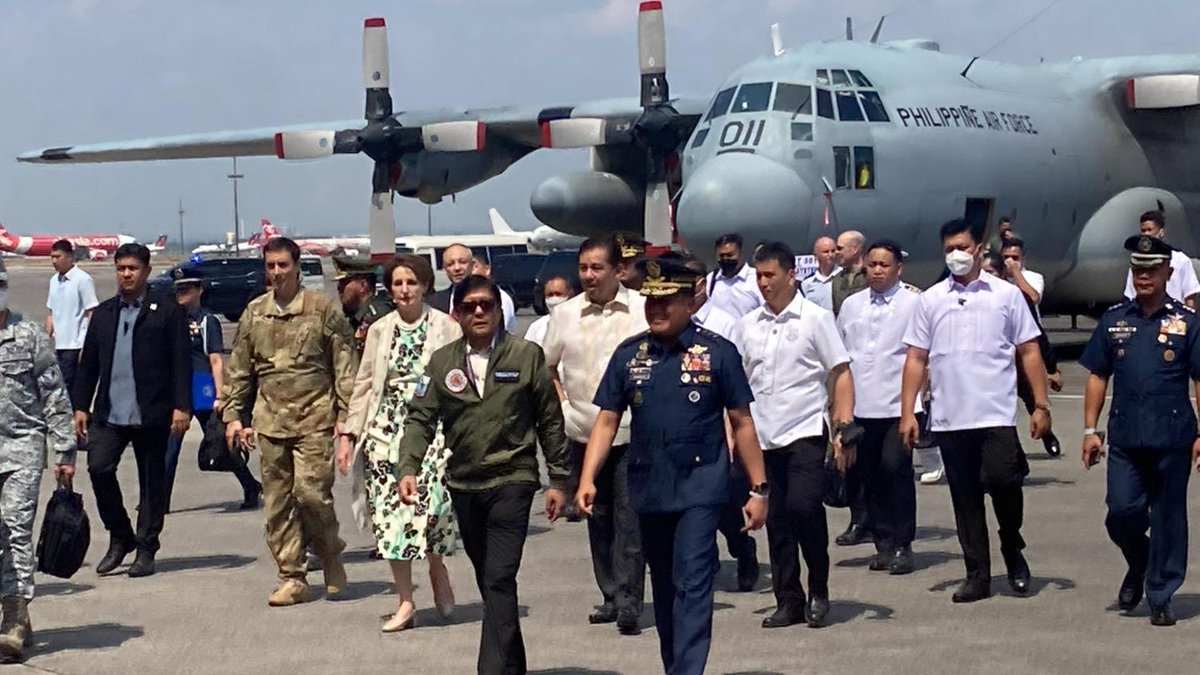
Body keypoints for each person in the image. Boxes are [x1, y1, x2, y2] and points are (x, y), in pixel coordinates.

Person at [579, 258, 769, 674]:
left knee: (693, 581)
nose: (656, 310)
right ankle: (675, 666)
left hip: (701, 486)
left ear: (690, 302)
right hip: (650, 488)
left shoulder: (717, 352)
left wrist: (758, 488)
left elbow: (741, 422)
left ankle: (688, 669)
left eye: (667, 302)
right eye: (650, 302)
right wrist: (588, 477)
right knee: (663, 587)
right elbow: (607, 419)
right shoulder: (630, 355)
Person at [397, 274, 568, 675]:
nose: (478, 312)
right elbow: (420, 418)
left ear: (498, 311)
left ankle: (490, 669)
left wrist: (559, 479)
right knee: (492, 582)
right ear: (456, 313)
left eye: (486, 305)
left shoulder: (525, 355)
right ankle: (513, 666)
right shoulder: (441, 363)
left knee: (499, 575)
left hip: (513, 479)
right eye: (470, 306)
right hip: (465, 484)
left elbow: (550, 419)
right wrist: (409, 468)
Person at [899, 219, 1051, 604]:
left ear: (980, 248)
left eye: (963, 247)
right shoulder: (930, 300)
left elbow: (1029, 351)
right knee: (965, 499)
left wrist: (1041, 404)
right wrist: (907, 412)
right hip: (951, 417)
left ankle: (1012, 546)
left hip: (996, 414)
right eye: (949, 248)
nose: (956, 255)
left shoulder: (1005, 295)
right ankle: (977, 573)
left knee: (1005, 483)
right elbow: (916, 357)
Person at [222, 237, 356, 607]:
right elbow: (239, 371)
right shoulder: (254, 313)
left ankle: (330, 554)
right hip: (270, 423)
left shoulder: (322, 309)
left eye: (283, 265)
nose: (277, 273)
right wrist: (233, 415)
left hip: (314, 418)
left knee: (311, 495)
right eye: (271, 266)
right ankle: (292, 576)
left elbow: (344, 367)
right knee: (278, 504)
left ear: (297, 266)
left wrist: (346, 420)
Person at [731, 242, 854, 628]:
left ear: (791, 275)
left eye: (770, 275)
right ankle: (788, 598)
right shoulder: (747, 324)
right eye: (759, 276)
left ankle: (819, 587)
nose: (764, 283)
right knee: (777, 519)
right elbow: (734, 385)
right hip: (761, 438)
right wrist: (730, 433)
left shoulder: (815, 319)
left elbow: (841, 371)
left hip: (803, 432)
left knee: (804, 508)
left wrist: (843, 424)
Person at [1080, 234, 1200, 627]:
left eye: (1151, 269)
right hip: (1126, 439)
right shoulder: (1115, 321)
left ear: (1168, 272)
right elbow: (1098, 375)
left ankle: (1161, 594)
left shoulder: (1187, 323)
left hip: (1172, 436)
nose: (1144, 276)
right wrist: (1089, 430)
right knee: (1121, 512)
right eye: (1137, 269)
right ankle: (1140, 561)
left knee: (1168, 518)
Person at [339, 254, 461, 632]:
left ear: (425, 285)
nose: (405, 290)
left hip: (431, 428)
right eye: (397, 283)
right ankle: (405, 600)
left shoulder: (445, 327)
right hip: (386, 430)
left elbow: (460, 379)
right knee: (391, 519)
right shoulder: (380, 329)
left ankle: (437, 567)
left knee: (434, 505)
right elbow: (364, 383)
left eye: (411, 282)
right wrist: (349, 434)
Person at [542, 237, 648, 635]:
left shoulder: (639, 310)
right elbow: (546, 366)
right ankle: (608, 593)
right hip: (583, 431)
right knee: (596, 517)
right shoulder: (565, 315)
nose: (588, 275)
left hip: (631, 432)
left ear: (618, 271)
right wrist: (563, 404)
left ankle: (629, 600)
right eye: (583, 268)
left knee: (629, 520)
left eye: (596, 268)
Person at [73, 243, 190, 578]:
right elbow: (88, 365)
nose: (126, 274)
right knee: (99, 468)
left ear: (146, 271)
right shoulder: (105, 314)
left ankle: (146, 547)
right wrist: (80, 405)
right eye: (121, 268)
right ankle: (121, 535)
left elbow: (180, 362)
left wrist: (182, 407)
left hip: (152, 411)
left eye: (132, 268)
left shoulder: (166, 311)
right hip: (111, 412)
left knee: (151, 483)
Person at [0, 266, 76, 660]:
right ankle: (15, 606)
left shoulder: (28, 335)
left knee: (15, 529)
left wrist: (63, 452)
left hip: (21, 449)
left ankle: (13, 616)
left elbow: (55, 398)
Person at [836, 240, 921, 576]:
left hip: (897, 405)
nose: (877, 271)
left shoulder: (914, 302)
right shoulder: (852, 305)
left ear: (898, 268)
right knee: (868, 476)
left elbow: (921, 357)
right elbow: (841, 358)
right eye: (872, 265)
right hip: (861, 406)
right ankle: (883, 543)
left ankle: (903, 542)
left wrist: (914, 407)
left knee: (895, 470)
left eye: (884, 265)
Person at [683, 255, 760, 592]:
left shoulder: (724, 323)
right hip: (685, 431)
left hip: (720, 428)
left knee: (727, 508)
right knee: (691, 509)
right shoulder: (669, 325)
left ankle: (744, 553)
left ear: (702, 284)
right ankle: (705, 563)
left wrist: (732, 434)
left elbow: (735, 389)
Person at [164, 268, 261, 513]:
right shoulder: (174, 318)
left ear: (199, 290)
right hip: (181, 387)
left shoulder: (207, 321)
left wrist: (220, 396)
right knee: (170, 447)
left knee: (221, 442)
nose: (181, 294)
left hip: (204, 388)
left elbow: (216, 359)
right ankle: (159, 501)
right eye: (178, 289)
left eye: (186, 289)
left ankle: (249, 485)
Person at [982, 252, 1064, 457]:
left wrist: (1051, 368)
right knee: (999, 414)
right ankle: (1014, 453)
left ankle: (1047, 434)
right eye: (982, 272)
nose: (986, 276)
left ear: (1001, 273)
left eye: (990, 271)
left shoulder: (1014, 296)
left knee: (1031, 399)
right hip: (991, 368)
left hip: (1018, 361)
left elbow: (1036, 336)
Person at [45, 239, 99, 405]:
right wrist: (45, 341)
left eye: (58, 257)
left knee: (70, 387)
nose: (54, 261)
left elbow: (91, 311)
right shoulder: (54, 281)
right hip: (59, 345)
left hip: (75, 345)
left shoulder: (82, 280)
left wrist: (86, 344)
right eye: (52, 257)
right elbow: (51, 313)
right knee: (56, 386)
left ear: (69, 257)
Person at [1122, 211, 1200, 309]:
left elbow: (1190, 296)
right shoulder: (1137, 262)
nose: (1146, 234)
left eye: (1150, 230)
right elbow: (1130, 295)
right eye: (1143, 230)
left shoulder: (1181, 260)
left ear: (1161, 232)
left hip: (1173, 318)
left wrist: (1187, 320)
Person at [332, 255, 394, 355]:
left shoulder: (377, 316)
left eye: (344, 282)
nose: (339, 288)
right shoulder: (353, 314)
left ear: (362, 285)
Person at [706, 233, 762, 318]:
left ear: (741, 253)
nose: (725, 259)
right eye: (721, 256)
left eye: (730, 255)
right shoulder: (711, 279)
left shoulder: (756, 278)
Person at [470, 254, 518, 333]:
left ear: (487, 270)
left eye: (474, 266)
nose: (470, 271)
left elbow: (496, 331)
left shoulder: (501, 297)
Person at [523, 275, 575, 347]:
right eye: (550, 295)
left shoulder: (582, 323)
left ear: (570, 294)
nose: (554, 298)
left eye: (558, 294)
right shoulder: (536, 327)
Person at [426, 243, 477, 313]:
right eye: (450, 264)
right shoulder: (433, 303)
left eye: (462, 262)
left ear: (473, 265)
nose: (457, 268)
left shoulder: (489, 295)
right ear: (445, 269)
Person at [799, 236, 841, 312]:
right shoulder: (807, 283)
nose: (830, 255)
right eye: (826, 252)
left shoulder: (844, 276)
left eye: (833, 251)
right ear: (815, 256)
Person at [830, 230, 867, 316]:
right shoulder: (837, 279)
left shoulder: (871, 276)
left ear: (854, 249)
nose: (836, 252)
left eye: (840, 248)